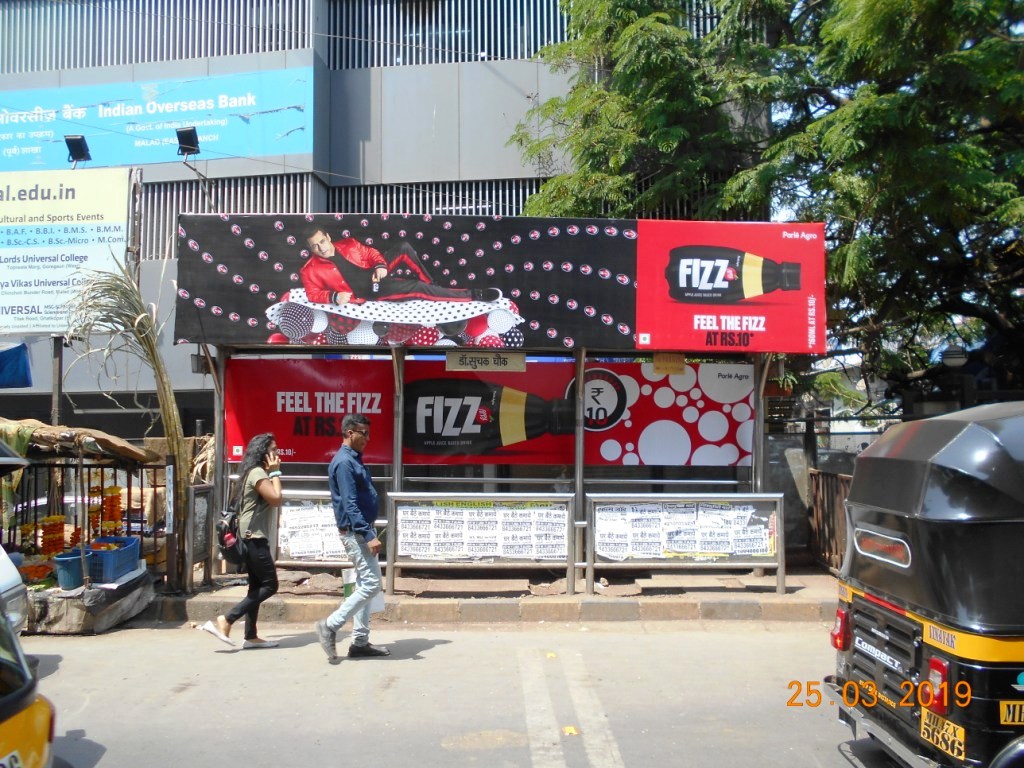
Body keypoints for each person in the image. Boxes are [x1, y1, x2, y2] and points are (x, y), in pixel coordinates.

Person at [314, 414, 390, 660]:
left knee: (364, 586)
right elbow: (350, 504)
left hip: (361, 531)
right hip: (357, 533)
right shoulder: (345, 463)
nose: (367, 438)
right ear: (349, 432)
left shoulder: (353, 460)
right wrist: (368, 534)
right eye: (363, 433)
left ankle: (360, 641)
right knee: (371, 585)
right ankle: (331, 625)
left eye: (368, 433)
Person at [201, 433, 282, 649]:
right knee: (270, 585)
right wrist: (275, 472)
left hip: (251, 536)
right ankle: (227, 619)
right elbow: (275, 498)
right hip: (253, 537)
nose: (277, 454)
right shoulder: (257, 473)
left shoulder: (254, 472)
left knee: (256, 585)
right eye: (273, 450)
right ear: (263, 454)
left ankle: (251, 635)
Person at [300, 229, 501, 306]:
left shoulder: (349, 244)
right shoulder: (309, 269)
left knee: (403, 247)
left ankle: (433, 285)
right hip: (369, 292)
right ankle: (475, 295)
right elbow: (312, 294)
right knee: (417, 288)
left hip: (375, 276)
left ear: (327, 237)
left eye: (322, 242)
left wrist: (379, 265)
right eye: (314, 246)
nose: (321, 248)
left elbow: (371, 254)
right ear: (310, 248)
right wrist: (333, 297)